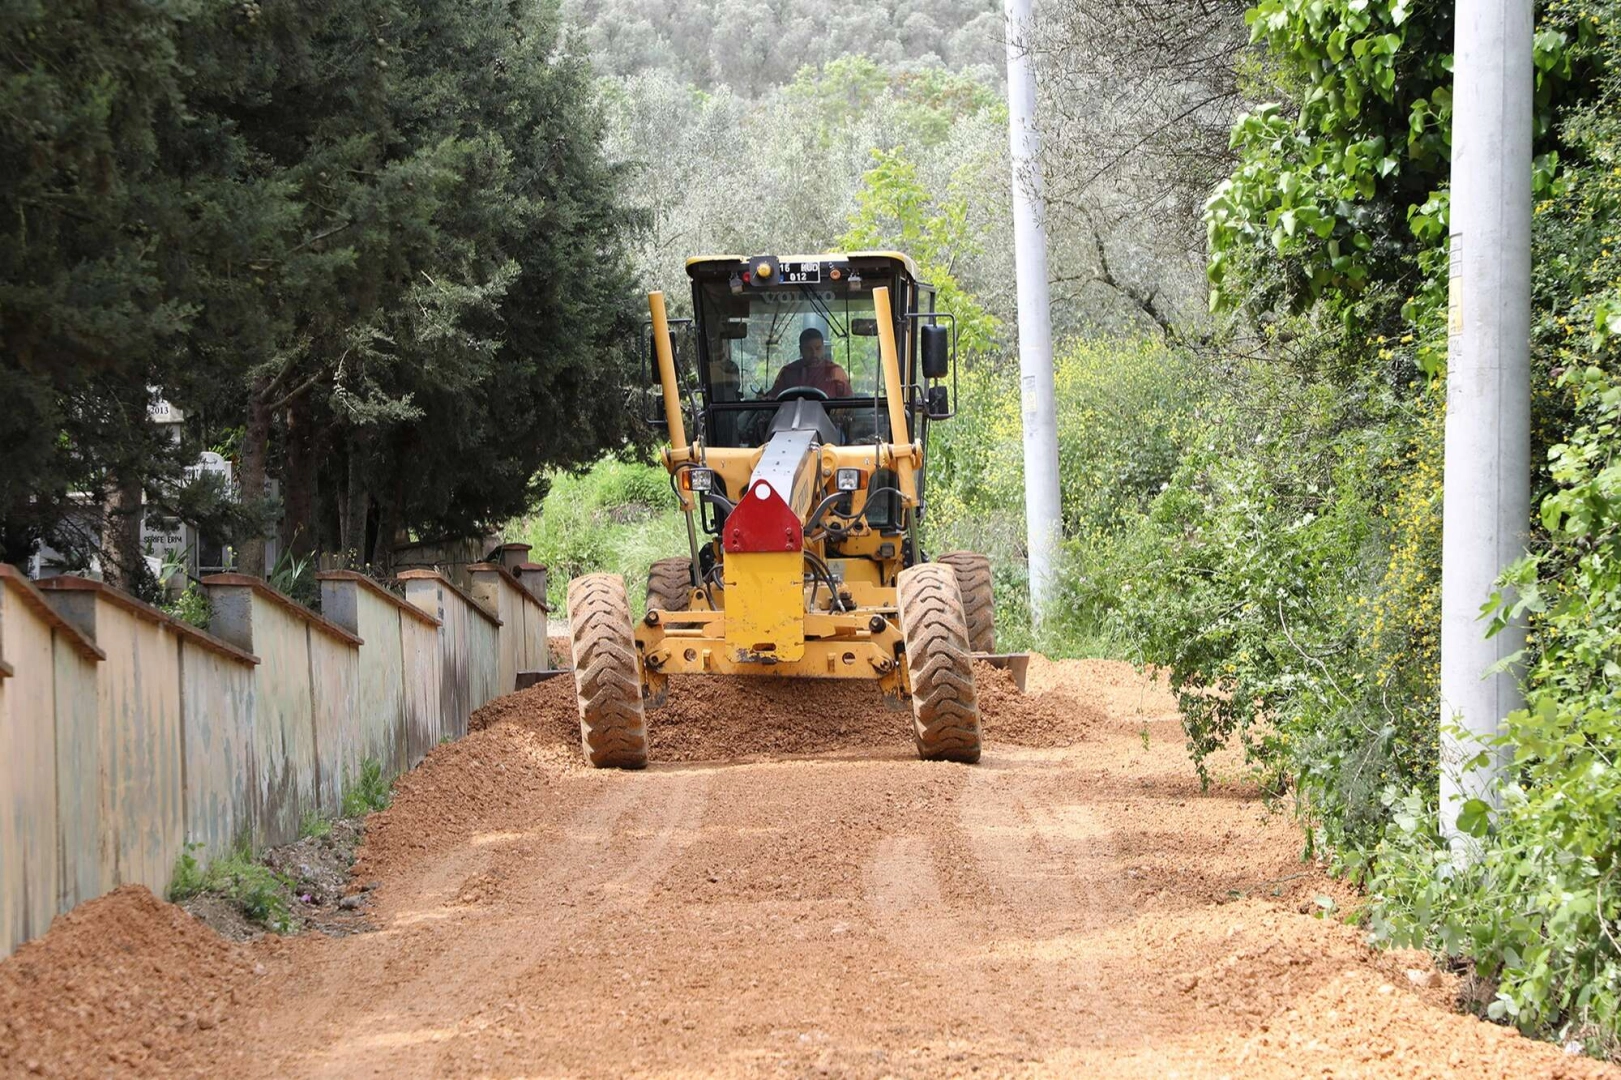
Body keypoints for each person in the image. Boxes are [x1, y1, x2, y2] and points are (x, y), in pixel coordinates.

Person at [767, 328, 852, 398]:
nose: (814, 354)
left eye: (818, 348)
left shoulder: (835, 373)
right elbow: (772, 401)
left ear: (823, 348)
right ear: (801, 350)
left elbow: (849, 404)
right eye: (808, 349)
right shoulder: (788, 372)